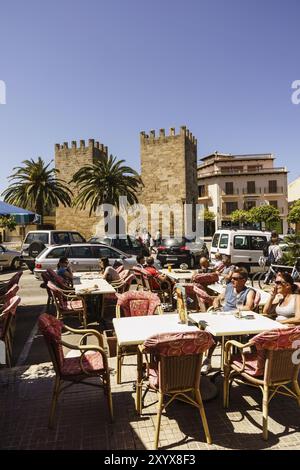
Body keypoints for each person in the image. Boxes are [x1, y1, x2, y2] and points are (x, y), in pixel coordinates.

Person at [202, 267, 255, 374]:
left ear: (244, 280)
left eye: (235, 278)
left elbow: (249, 307)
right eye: (232, 278)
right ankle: (208, 360)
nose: (232, 280)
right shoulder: (229, 287)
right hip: (223, 317)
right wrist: (216, 307)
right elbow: (217, 299)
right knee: (211, 332)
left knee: (216, 334)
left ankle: (233, 362)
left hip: (238, 322)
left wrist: (234, 311)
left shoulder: (249, 291)